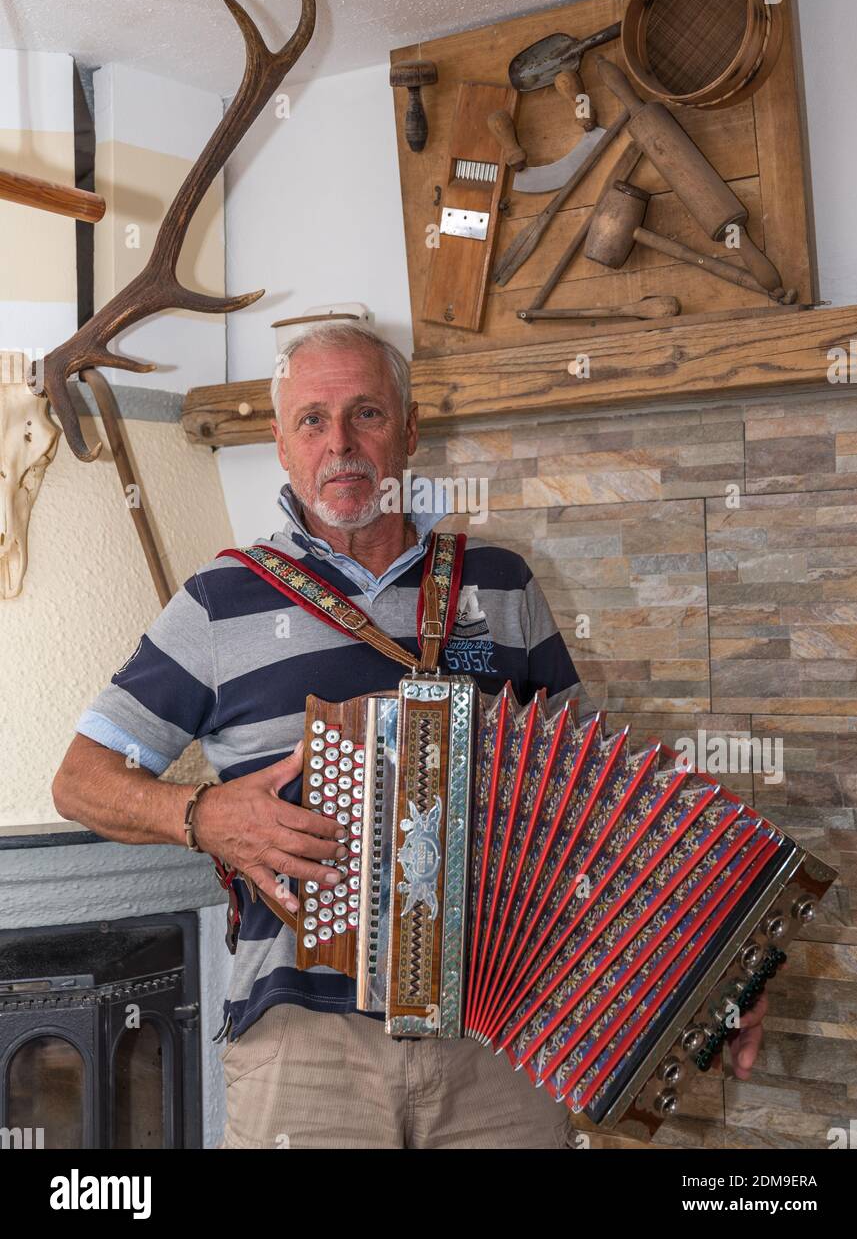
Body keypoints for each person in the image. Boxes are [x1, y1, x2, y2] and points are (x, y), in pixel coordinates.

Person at [52, 322, 766, 1149]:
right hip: (307, 1046)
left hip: (502, 1030)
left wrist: (711, 968)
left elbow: (598, 811)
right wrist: (203, 816)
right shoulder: (220, 600)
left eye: (367, 414)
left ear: (410, 427)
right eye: (311, 421)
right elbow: (79, 780)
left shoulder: (499, 582)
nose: (341, 444)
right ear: (280, 446)